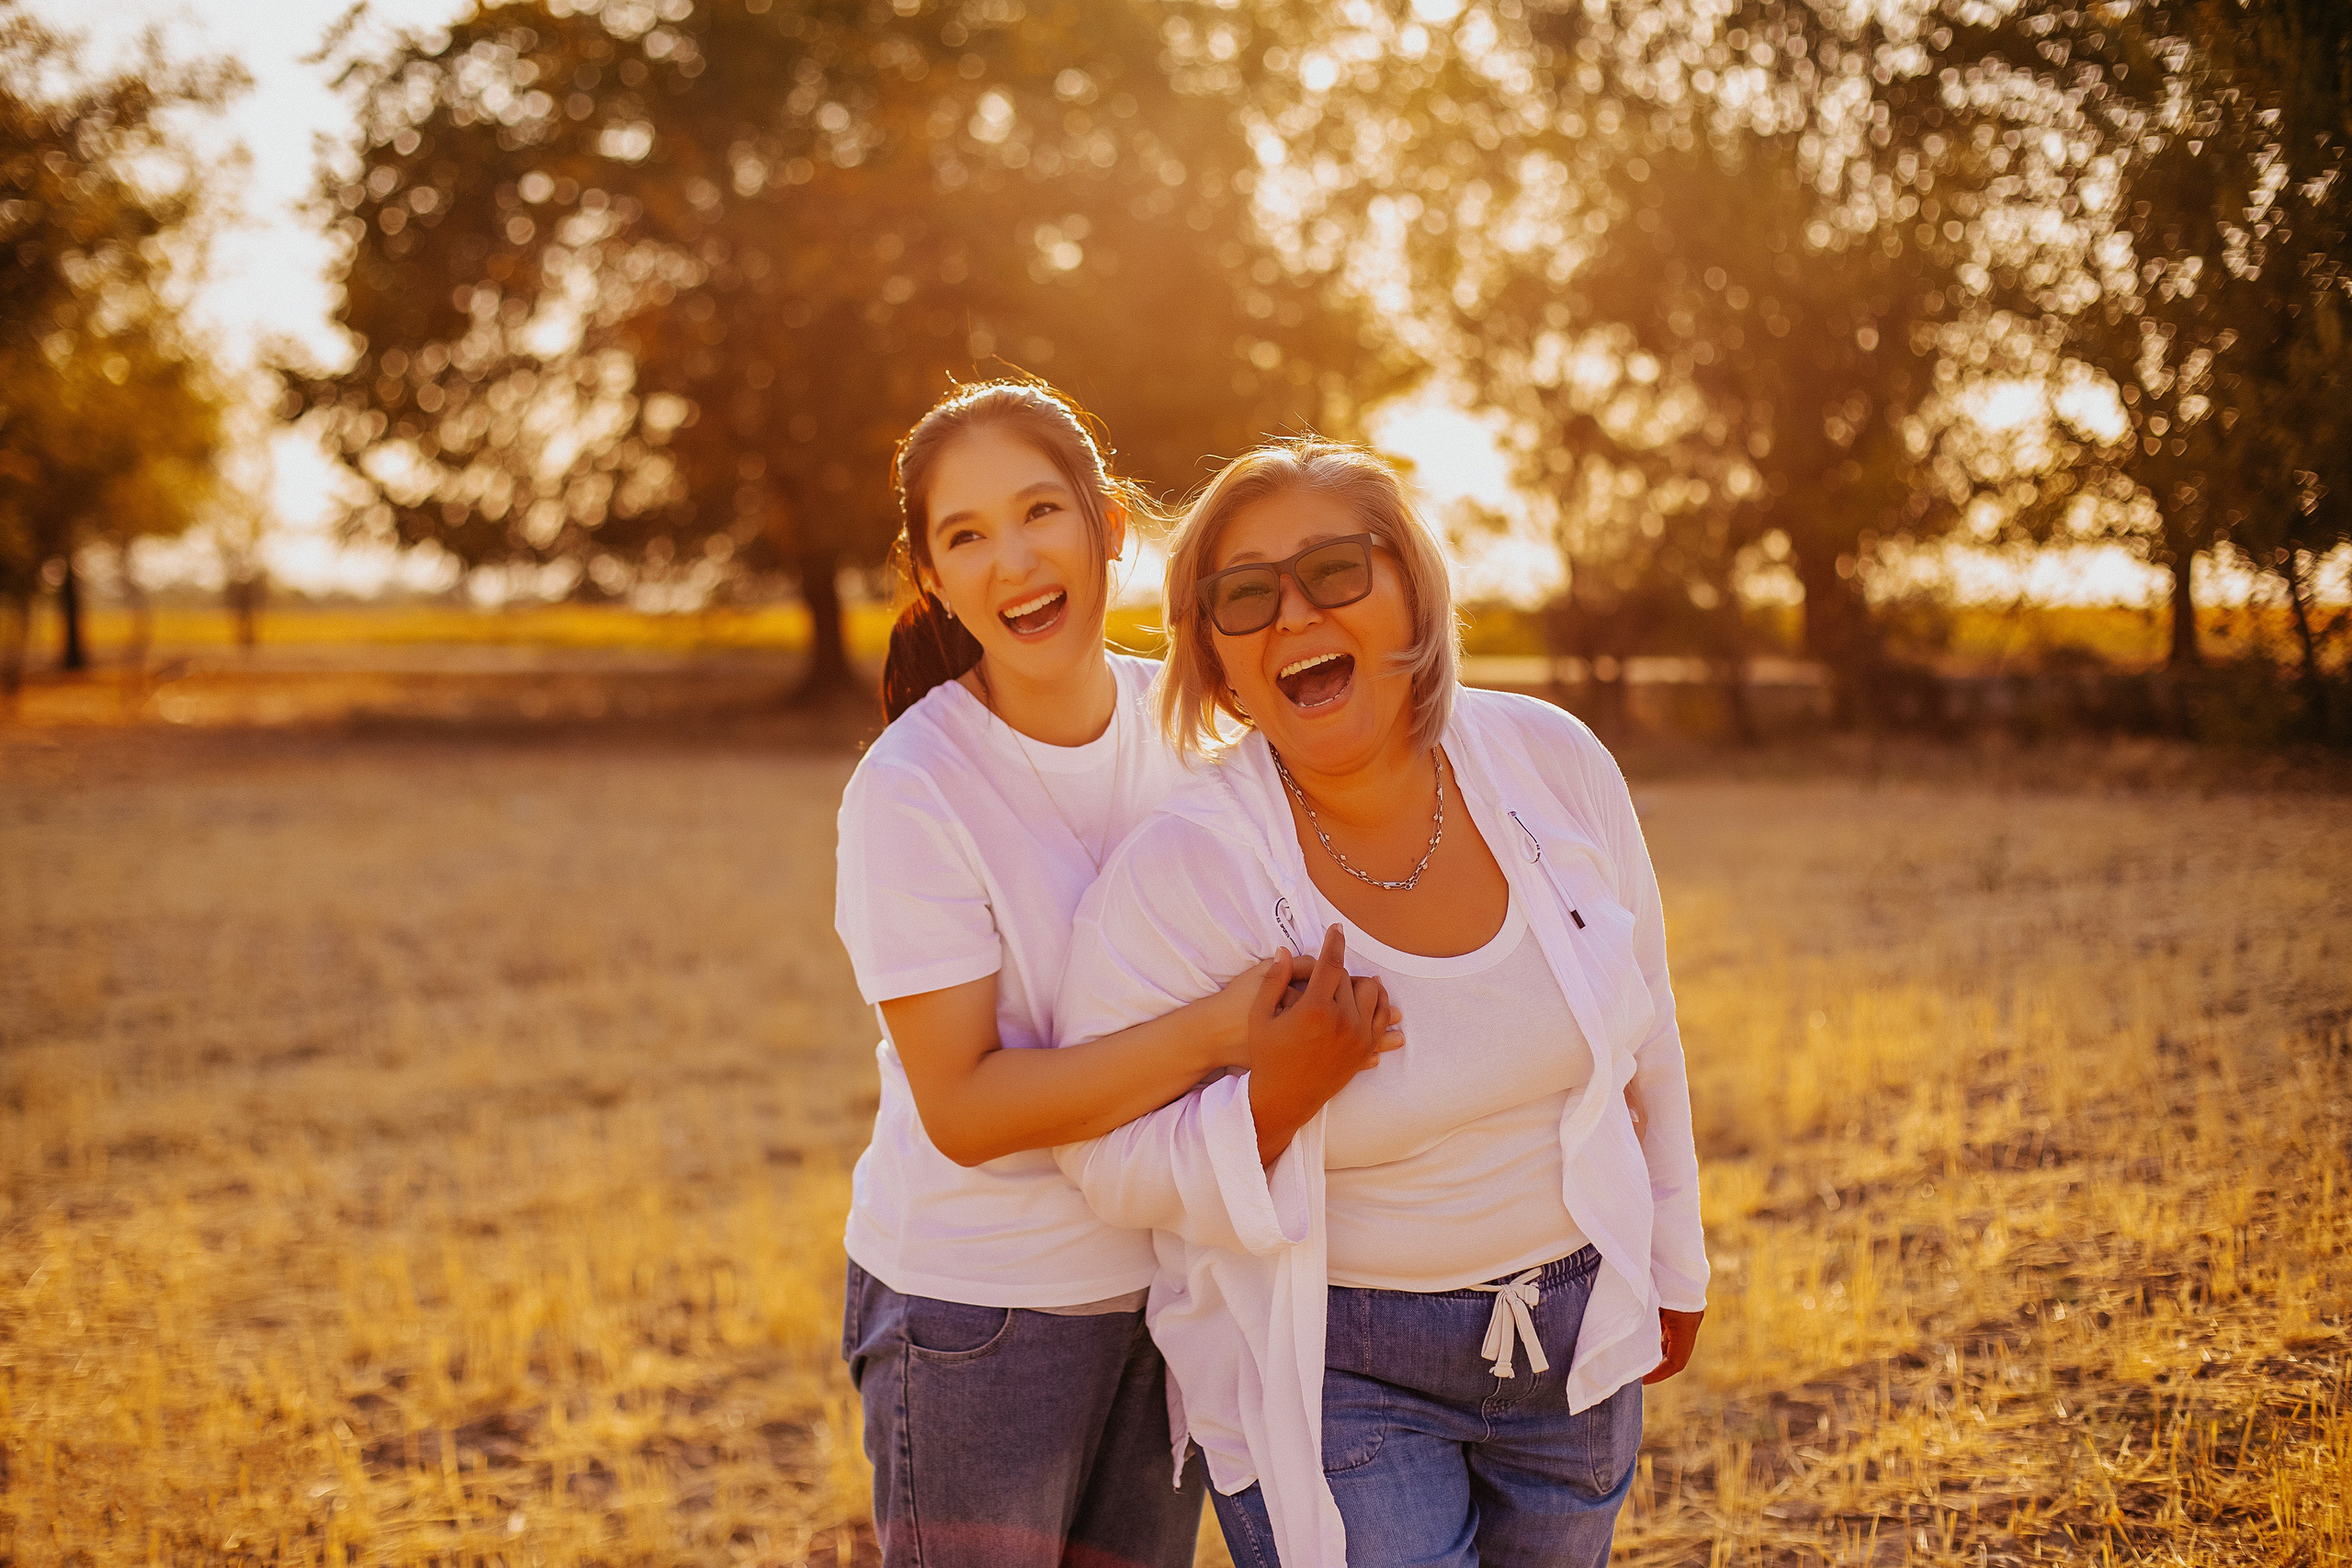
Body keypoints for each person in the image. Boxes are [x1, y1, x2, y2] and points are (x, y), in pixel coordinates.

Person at [1051, 438, 1708, 1568]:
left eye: (1335, 571)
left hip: (1576, 1325)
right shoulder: (1183, 872)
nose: (1293, 614)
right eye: (1244, 597)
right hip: (1334, 1366)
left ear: (1408, 586)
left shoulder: (1550, 760)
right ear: (1216, 659)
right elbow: (1099, 1158)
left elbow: (1647, 1020)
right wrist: (1272, 1102)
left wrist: (1673, 1254)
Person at [832, 384, 1396, 1567]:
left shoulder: (1200, 731)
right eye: (966, 535)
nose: (1016, 560)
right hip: (977, 1317)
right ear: (928, 575)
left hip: (1168, 1293)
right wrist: (1216, 1034)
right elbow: (968, 1110)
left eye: (1041, 511)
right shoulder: (912, 786)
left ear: (1109, 526)